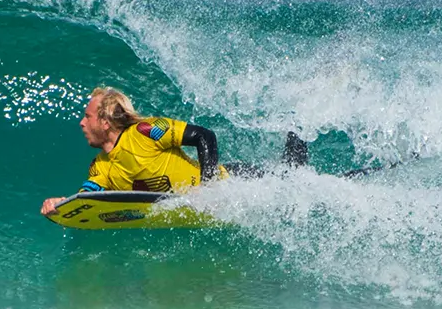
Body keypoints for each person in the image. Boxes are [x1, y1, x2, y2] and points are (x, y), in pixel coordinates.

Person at [38, 86, 309, 216]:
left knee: (293, 178)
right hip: (201, 198)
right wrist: (60, 204)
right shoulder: (101, 166)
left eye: (87, 117)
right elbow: (88, 198)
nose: (81, 123)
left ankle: (302, 119)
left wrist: (211, 189)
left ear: (105, 122)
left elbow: (204, 136)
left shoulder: (146, 131)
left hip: (238, 181)